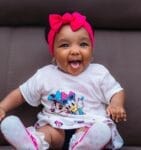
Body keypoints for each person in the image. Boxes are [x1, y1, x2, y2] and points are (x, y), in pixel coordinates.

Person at [0, 12, 127, 150]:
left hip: (88, 125)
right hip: (56, 126)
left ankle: (84, 145)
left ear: (91, 49)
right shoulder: (45, 75)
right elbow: (20, 94)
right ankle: (32, 143)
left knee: (96, 131)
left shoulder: (99, 73)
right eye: (65, 45)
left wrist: (116, 105)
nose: (75, 51)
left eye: (83, 44)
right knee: (47, 132)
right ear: (53, 52)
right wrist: (2, 107)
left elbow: (116, 91)